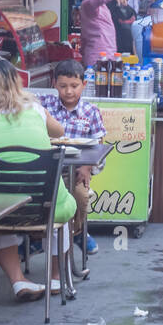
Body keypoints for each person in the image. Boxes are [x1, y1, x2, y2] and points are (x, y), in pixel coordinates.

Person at [0, 59, 78, 301]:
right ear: (16, 83)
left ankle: (18, 280)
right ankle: (55, 277)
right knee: (60, 203)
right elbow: (59, 132)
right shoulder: (36, 110)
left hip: (0, 210)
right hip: (44, 207)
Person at [38, 60, 105, 256]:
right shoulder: (44, 104)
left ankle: (77, 231)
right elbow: (24, 102)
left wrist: (86, 168)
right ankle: (37, 236)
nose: (68, 91)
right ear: (54, 84)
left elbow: (99, 145)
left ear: (84, 85)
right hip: (48, 170)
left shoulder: (91, 112)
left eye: (74, 86)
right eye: (63, 86)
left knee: (81, 197)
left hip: (77, 171)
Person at [79, 0, 118, 67]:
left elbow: (84, 36)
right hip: (97, 59)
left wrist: (82, 52)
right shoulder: (87, 4)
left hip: (109, 56)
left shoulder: (104, 7)